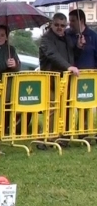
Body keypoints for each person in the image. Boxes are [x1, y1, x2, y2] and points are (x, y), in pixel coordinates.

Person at [38, 13, 83, 150]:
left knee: (66, 109)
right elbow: (52, 55)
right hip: (51, 80)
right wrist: (68, 66)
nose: (59, 28)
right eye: (57, 25)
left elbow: (71, 56)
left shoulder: (67, 38)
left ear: (66, 26)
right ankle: (44, 139)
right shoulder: (46, 39)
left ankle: (63, 137)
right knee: (52, 109)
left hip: (65, 80)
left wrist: (79, 47)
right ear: (51, 24)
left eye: (63, 25)